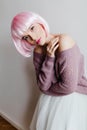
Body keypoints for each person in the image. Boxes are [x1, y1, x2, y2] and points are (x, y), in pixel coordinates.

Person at [11, 11, 87, 130]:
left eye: (32, 28)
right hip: (50, 101)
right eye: (26, 37)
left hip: (72, 100)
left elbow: (69, 87)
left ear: (40, 22)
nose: (33, 38)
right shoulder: (38, 50)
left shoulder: (64, 41)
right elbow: (42, 85)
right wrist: (49, 58)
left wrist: (47, 90)